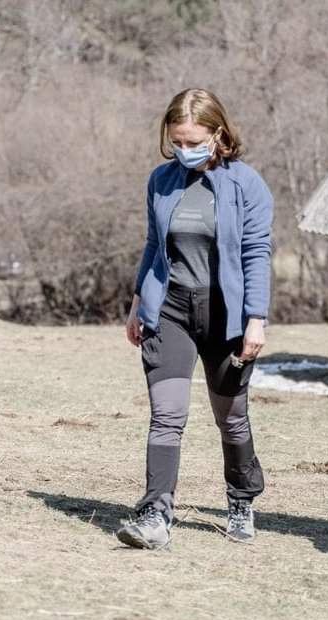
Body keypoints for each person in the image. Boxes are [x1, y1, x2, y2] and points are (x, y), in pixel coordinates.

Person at [118, 88, 274, 549]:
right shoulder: (160, 181)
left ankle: (242, 497)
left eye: (193, 140)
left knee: (232, 418)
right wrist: (135, 303)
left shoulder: (246, 184)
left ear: (218, 134)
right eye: (177, 140)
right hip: (170, 310)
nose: (184, 149)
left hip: (225, 315)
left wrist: (256, 318)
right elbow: (153, 245)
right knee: (166, 415)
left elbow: (256, 253)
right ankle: (155, 513)